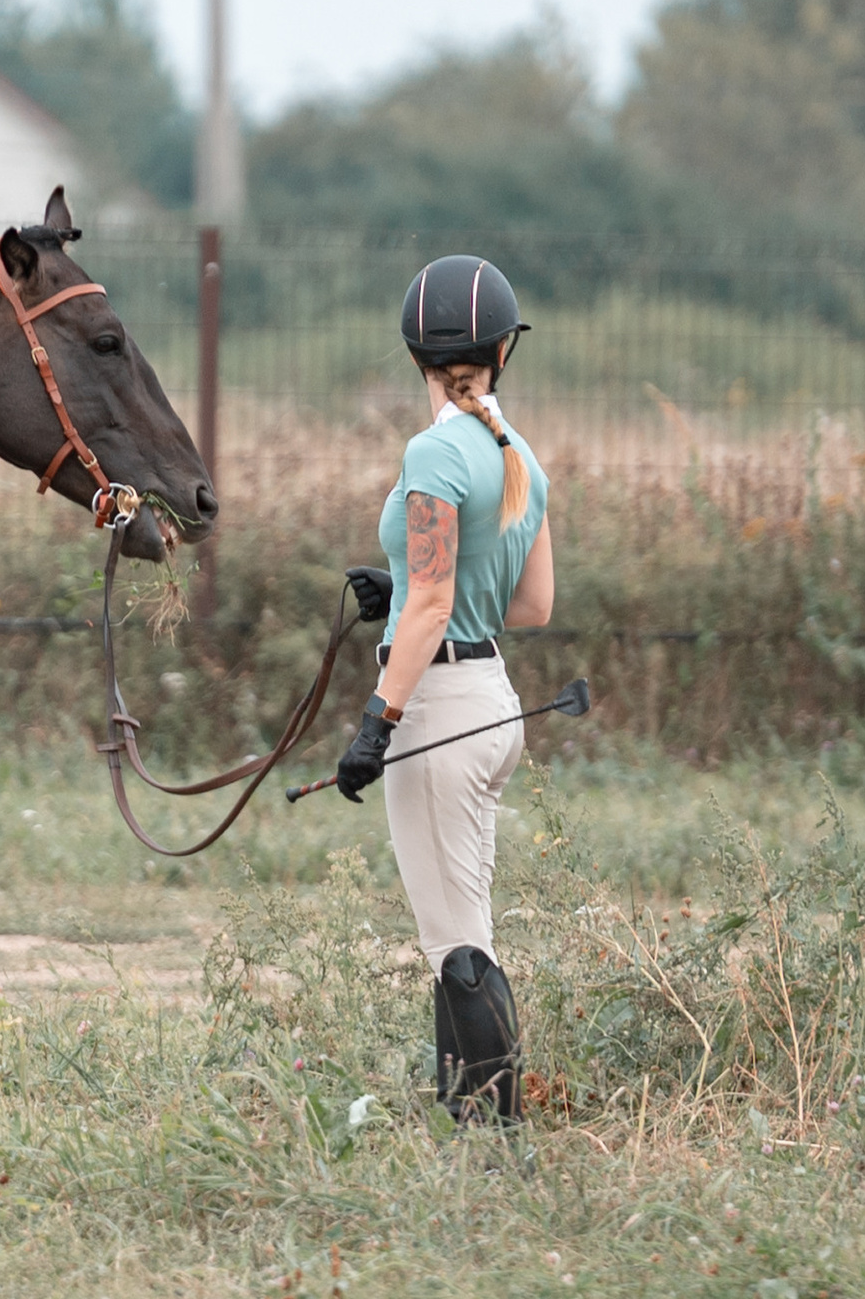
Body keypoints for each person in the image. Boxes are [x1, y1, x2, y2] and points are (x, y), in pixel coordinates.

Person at [336, 255, 553, 1125]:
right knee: (464, 929)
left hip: (439, 711)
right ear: (504, 350)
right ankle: (464, 1115)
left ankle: (496, 1143)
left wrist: (377, 721)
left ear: (415, 353)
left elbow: (430, 603)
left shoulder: (432, 451)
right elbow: (532, 604)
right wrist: (410, 588)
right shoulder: (517, 453)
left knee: (455, 946)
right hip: (495, 701)